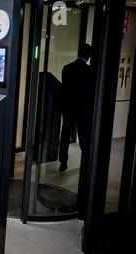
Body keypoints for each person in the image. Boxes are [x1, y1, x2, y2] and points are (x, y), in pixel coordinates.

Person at [58, 43, 93, 173]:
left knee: (65, 135)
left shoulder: (67, 68)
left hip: (68, 108)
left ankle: (63, 161)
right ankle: (86, 162)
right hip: (83, 110)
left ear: (78, 53)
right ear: (88, 55)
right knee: (84, 137)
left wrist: (62, 108)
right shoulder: (90, 71)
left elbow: (64, 91)